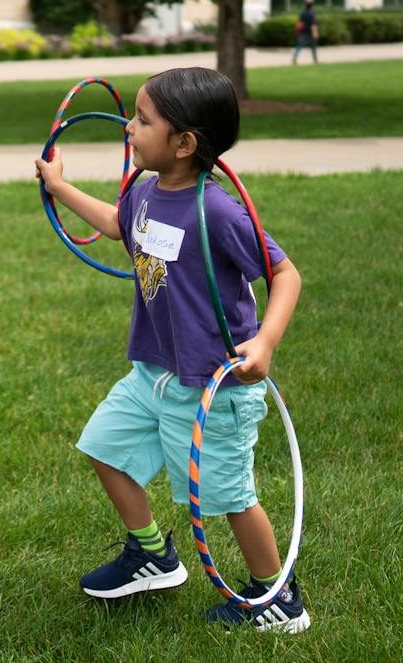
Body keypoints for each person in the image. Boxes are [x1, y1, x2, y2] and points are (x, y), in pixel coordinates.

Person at [34, 67, 310, 633]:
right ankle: (153, 555)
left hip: (213, 384)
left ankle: (277, 596)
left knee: (228, 497)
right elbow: (118, 225)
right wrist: (60, 187)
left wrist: (265, 341)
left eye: (143, 120)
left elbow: (285, 274)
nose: (129, 128)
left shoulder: (220, 211)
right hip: (153, 372)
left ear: (185, 143)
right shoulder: (142, 192)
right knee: (103, 447)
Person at [291, 0, 318, 64]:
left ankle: (295, 58)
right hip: (310, 33)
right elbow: (313, 25)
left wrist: (298, 32)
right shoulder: (312, 14)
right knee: (313, 46)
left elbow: (300, 23)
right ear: (312, 6)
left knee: (299, 45)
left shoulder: (303, 13)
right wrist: (315, 34)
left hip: (303, 32)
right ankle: (315, 60)